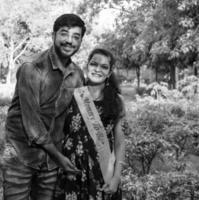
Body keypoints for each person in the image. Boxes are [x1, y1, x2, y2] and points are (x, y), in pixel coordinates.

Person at [2, 13, 86, 200]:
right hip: (21, 154)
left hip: (52, 161)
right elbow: (33, 126)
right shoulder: (32, 68)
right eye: (64, 34)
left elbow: (79, 117)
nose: (69, 41)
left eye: (76, 37)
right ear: (53, 35)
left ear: (81, 41)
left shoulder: (78, 75)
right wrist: (61, 158)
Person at [56, 48, 125, 200]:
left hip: (101, 172)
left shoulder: (116, 101)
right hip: (71, 170)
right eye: (94, 64)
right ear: (87, 65)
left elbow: (120, 143)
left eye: (104, 67)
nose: (98, 69)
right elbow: (57, 131)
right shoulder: (73, 94)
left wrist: (116, 178)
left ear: (109, 71)